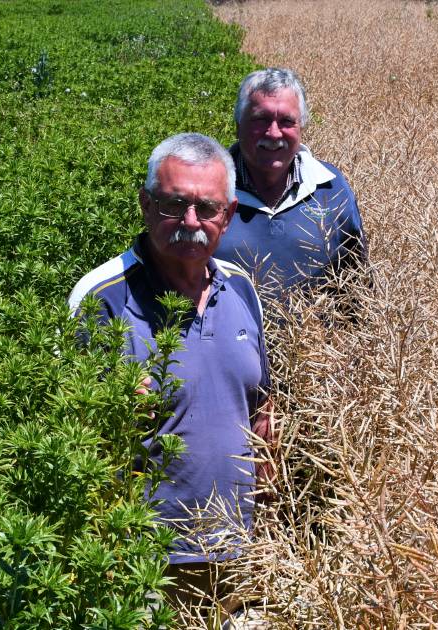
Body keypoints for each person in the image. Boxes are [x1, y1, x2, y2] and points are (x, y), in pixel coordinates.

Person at [69, 133, 274, 613]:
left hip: (243, 554)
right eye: (172, 204)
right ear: (144, 204)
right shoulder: (102, 298)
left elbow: (260, 401)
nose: (190, 222)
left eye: (206, 208)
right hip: (143, 561)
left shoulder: (242, 289)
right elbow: (73, 433)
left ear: (227, 214)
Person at [215, 67, 367, 303]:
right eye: (260, 119)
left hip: (315, 340)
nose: (274, 133)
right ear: (237, 124)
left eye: (286, 121)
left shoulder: (332, 188)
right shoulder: (207, 189)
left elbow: (357, 283)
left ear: (301, 127)